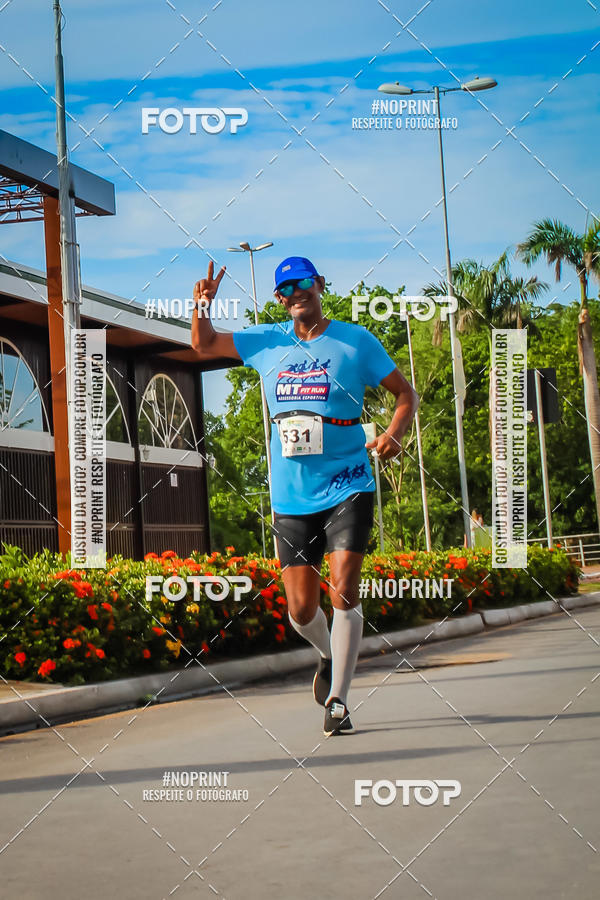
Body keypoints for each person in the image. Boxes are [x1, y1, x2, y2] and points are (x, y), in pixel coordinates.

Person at [191, 257, 418, 735]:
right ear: (279, 298)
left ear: (318, 285)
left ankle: (338, 701)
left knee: (344, 588)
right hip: (292, 495)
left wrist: (394, 435)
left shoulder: (356, 341)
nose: (294, 293)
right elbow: (203, 343)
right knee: (299, 609)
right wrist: (202, 305)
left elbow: (405, 395)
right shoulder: (267, 340)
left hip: (349, 480)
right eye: (284, 289)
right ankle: (325, 654)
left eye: (301, 284)